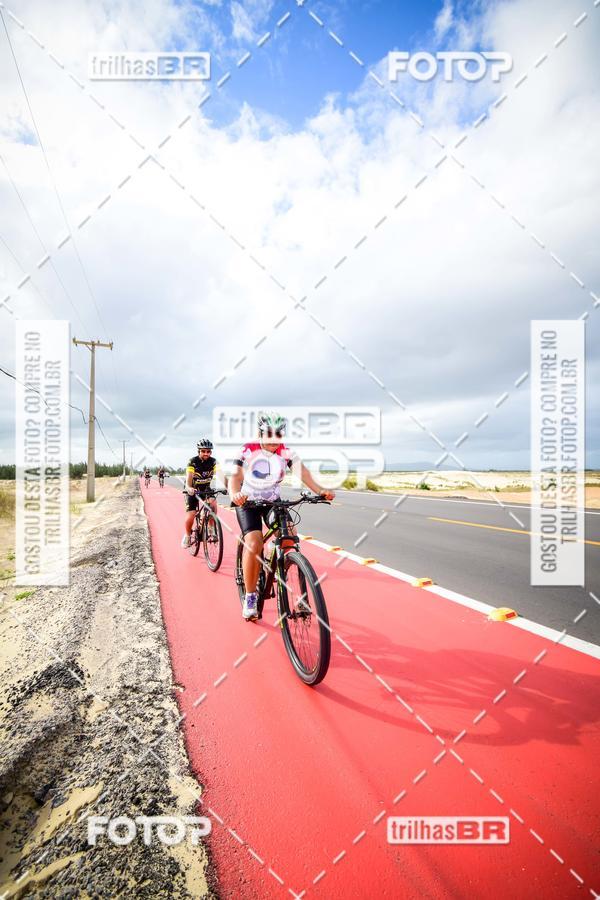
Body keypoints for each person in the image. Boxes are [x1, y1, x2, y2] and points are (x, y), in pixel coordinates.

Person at [229, 412, 334, 620]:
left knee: (289, 538)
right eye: (269, 433)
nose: (273, 439)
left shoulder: (285, 451)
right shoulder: (248, 449)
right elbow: (236, 476)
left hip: (272, 502)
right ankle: (250, 596)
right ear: (260, 433)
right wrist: (235, 494)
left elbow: (302, 473)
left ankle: (299, 593)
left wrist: (320, 490)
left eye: (278, 434)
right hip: (248, 502)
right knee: (254, 541)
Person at [181, 439, 224, 547]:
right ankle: (187, 535)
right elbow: (189, 477)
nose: (206, 453)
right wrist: (189, 488)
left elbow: (221, 475)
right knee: (191, 514)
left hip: (205, 489)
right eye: (203, 451)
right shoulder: (193, 462)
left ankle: (211, 529)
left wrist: (229, 487)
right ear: (199, 451)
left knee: (213, 503)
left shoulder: (214, 461)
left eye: (208, 451)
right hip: (193, 490)